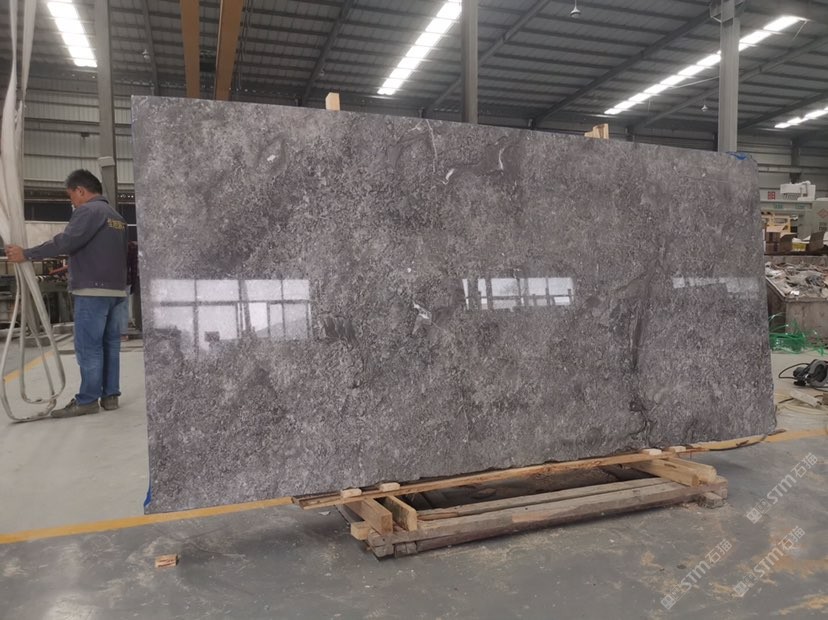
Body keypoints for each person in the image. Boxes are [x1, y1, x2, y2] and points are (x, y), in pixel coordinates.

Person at [6, 169, 128, 418]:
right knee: (110, 345)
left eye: (71, 196)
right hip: (116, 291)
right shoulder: (117, 217)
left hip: (92, 291)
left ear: (80, 191)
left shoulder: (88, 211)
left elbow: (65, 242)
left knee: (89, 347)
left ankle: (87, 400)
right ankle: (110, 396)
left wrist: (27, 254)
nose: (72, 202)